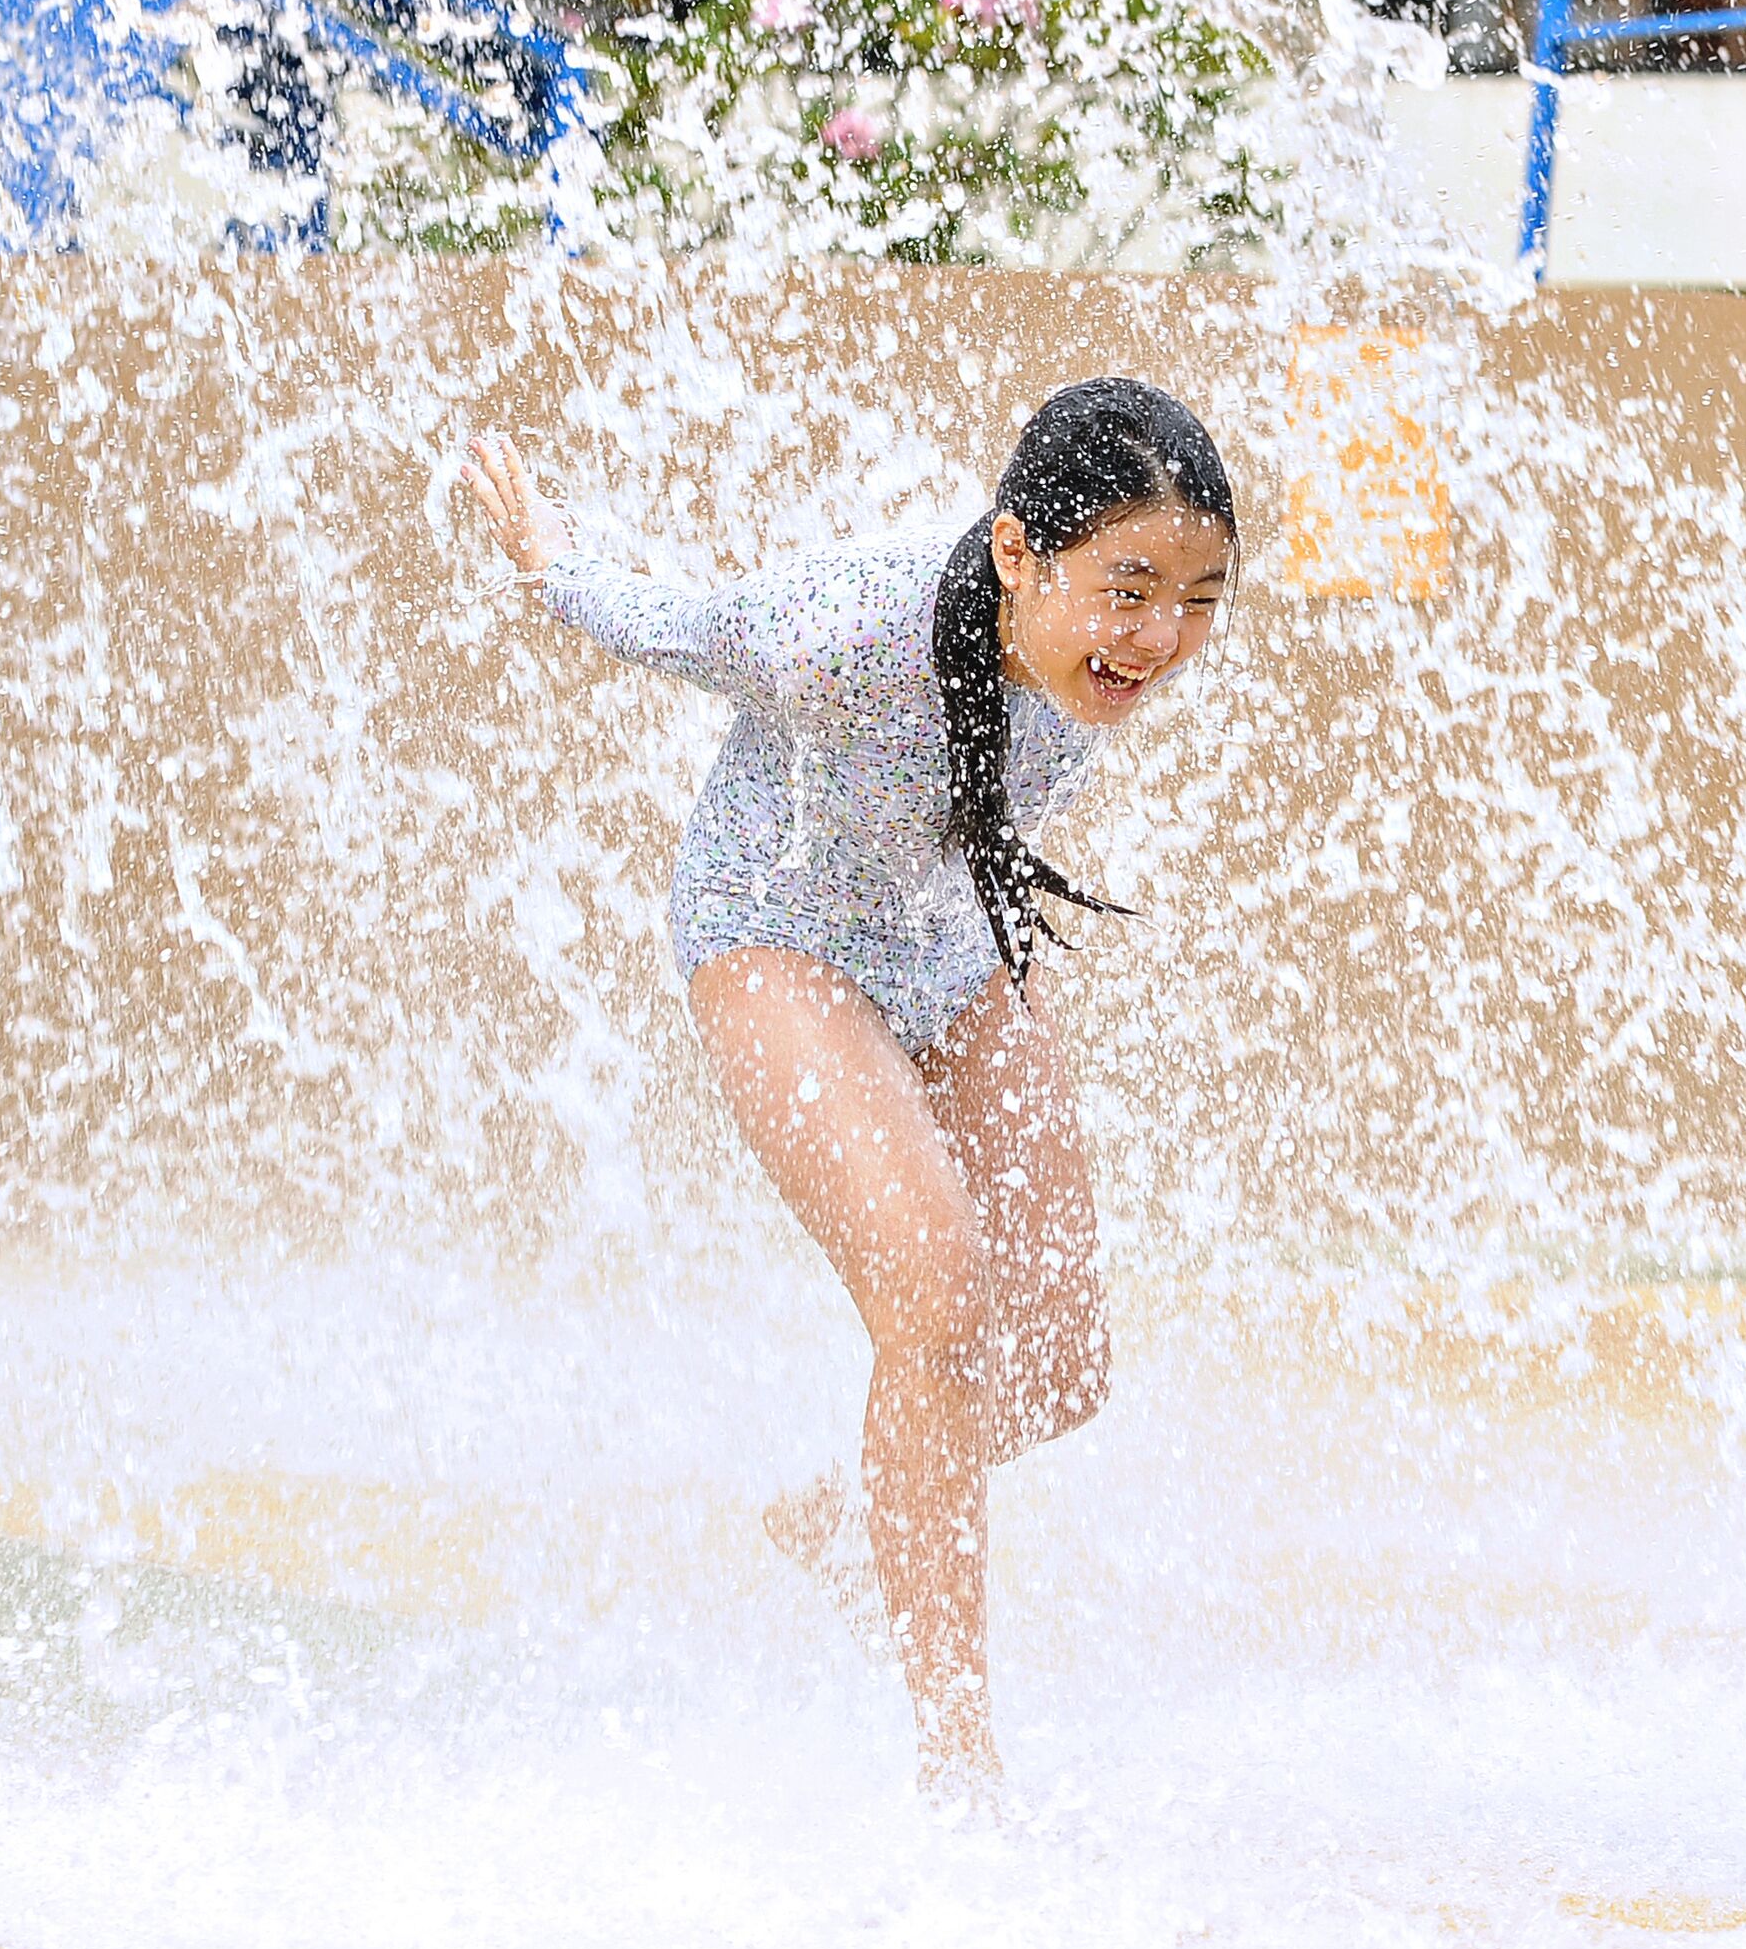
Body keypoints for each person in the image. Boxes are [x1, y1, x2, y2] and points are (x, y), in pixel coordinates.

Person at [460, 379, 1238, 1798]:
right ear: (1018, 554)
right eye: (1130, 589)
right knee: (935, 1290)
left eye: (1199, 598)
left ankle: (856, 1513)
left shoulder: (1094, 668)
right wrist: (552, 566)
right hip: (777, 930)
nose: (1164, 638)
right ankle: (959, 1763)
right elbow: (689, 628)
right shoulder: (847, 632)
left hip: (943, 945)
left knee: (1063, 1362)